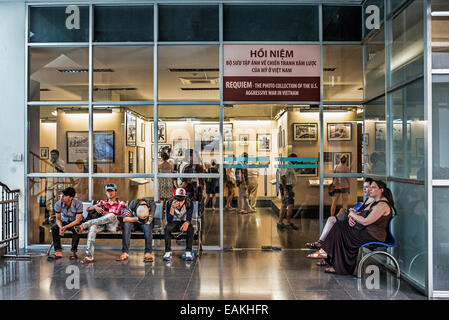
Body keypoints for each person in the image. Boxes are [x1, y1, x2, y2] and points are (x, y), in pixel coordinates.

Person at [319, 180, 395, 274]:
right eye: (370, 187)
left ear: (381, 190)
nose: (370, 189)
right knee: (339, 226)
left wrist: (351, 214)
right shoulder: (376, 202)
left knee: (341, 230)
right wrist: (352, 217)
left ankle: (335, 262)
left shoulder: (382, 205)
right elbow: (362, 214)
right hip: (366, 232)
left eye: (373, 187)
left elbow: (365, 221)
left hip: (372, 236)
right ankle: (332, 259)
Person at [305, 178, 374, 263]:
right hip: (355, 223)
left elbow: (365, 217)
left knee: (335, 227)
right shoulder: (368, 200)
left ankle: (324, 252)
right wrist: (353, 213)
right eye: (364, 187)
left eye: (367, 187)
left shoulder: (375, 203)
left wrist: (353, 214)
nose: (364, 189)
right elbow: (361, 212)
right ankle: (322, 246)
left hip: (358, 229)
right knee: (332, 220)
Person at [74, 183, 127, 264]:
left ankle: (83, 225)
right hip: (101, 225)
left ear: (116, 192)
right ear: (106, 192)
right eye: (108, 191)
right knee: (92, 227)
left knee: (111, 215)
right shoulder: (102, 202)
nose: (110, 193)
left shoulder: (121, 203)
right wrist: (96, 207)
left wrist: (108, 214)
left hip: (113, 226)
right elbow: (88, 209)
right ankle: (89, 256)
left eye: (112, 191)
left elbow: (124, 217)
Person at [48, 187, 83, 260]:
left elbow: (77, 221)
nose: (61, 197)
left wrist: (65, 227)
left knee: (77, 229)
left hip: (75, 222)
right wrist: (61, 227)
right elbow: (58, 219)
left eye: (64, 195)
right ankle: (58, 251)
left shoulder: (78, 204)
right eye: (61, 195)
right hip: (64, 221)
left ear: (70, 198)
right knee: (54, 227)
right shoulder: (58, 204)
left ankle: (73, 252)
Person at [117, 198, 156, 262]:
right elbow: (124, 219)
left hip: (145, 223)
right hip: (135, 223)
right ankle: (125, 253)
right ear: (137, 208)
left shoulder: (152, 205)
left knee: (147, 226)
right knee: (126, 224)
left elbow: (148, 221)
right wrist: (137, 218)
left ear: (148, 209)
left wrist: (132, 217)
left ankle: (148, 253)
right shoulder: (133, 203)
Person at [163, 188, 195, 261]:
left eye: (182, 200)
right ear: (174, 198)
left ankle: (188, 251)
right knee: (167, 228)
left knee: (191, 229)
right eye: (178, 200)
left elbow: (189, 216)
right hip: (174, 222)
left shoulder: (189, 203)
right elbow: (169, 220)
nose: (180, 203)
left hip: (184, 222)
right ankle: (167, 251)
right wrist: (172, 208)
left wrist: (187, 222)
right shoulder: (169, 203)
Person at [177, 149, 205, 215]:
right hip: (191, 191)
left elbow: (202, 180)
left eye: (195, 156)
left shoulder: (198, 167)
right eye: (193, 156)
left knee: (197, 210)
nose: (195, 158)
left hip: (197, 190)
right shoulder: (188, 167)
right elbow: (185, 182)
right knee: (192, 210)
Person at [278, 153, 299, 230]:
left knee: (284, 204)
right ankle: (288, 222)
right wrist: (285, 189)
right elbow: (283, 177)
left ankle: (280, 221)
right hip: (287, 187)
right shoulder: (288, 165)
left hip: (287, 187)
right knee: (290, 205)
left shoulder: (289, 165)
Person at [45, 149, 66, 217]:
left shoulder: (61, 162)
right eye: (51, 155)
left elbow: (61, 170)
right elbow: (47, 175)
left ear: (58, 155)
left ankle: (58, 217)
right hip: (50, 185)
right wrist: (45, 184)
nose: (52, 156)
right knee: (49, 201)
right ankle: (50, 217)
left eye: (54, 155)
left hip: (58, 185)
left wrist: (54, 163)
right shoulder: (49, 163)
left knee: (58, 200)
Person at [159, 152, 174, 220]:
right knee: (168, 201)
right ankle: (168, 215)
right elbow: (172, 173)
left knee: (161, 200)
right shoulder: (170, 165)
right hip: (169, 183)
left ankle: (161, 215)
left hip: (162, 183)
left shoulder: (159, 165)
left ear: (162, 157)